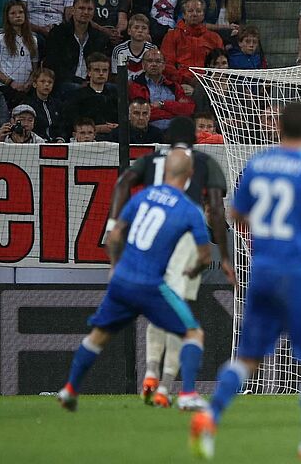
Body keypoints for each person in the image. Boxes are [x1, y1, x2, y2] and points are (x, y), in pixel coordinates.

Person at [189, 103, 301, 461]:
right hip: (298, 273)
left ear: (279, 129)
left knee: (248, 357)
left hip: (263, 271)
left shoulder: (258, 164)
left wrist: (265, 233)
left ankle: (210, 415)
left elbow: (235, 214)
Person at [58, 148, 212, 413]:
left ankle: (70, 389)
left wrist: (114, 267)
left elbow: (115, 235)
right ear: (190, 174)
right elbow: (205, 256)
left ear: (165, 171)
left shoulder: (142, 196)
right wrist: (194, 270)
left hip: (122, 281)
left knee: (98, 336)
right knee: (193, 333)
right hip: (151, 286)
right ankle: (187, 394)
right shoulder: (190, 209)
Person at [107, 115, 231, 409]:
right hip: (185, 237)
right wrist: (224, 255)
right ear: (195, 139)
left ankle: (150, 371)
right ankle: (165, 385)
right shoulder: (204, 162)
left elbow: (123, 183)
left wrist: (112, 225)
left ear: (166, 139)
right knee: (178, 309)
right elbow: (216, 208)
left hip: (152, 237)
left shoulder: (150, 160)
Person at [45, 0, 110, 96]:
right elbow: (53, 65)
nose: (86, 12)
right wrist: (79, 81)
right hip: (64, 82)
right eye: (81, 8)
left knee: (114, 89)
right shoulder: (58, 33)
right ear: (73, 10)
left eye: (89, 9)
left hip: (92, 82)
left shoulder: (98, 37)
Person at [160, 0, 223, 85]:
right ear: (184, 15)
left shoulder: (215, 38)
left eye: (198, 11)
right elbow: (167, 65)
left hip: (209, 84)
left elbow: (221, 65)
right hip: (179, 84)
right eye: (190, 11)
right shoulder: (171, 36)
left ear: (203, 15)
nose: (194, 14)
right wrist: (184, 81)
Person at [128, 47, 194, 131]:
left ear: (163, 66)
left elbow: (188, 108)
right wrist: (175, 113)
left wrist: (163, 105)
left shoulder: (174, 86)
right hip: (148, 131)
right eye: (150, 61)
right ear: (143, 65)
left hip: (175, 131)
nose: (154, 64)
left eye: (158, 61)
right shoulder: (136, 86)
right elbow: (143, 113)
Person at [0, 0, 37, 107]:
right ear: (7, 16)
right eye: (13, 13)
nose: (18, 16)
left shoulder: (33, 38)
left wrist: (29, 83)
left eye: (21, 12)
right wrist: (11, 82)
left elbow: (35, 67)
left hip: (26, 89)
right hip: (4, 88)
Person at [60, 53, 119, 138]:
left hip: (114, 139)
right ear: (89, 72)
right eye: (97, 70)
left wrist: (117, 127)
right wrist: (96, 129)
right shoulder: (76, 97)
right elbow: (70, 123)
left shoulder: (115, 96)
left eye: (105, 70)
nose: (101, 73)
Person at [22, 67, 63, 141]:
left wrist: (60, 138)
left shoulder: (57, 104)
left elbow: (62, 125)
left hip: (57, 142)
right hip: (36, 142)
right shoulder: (28, 105)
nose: (47, 84)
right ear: (34, 84)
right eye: (42, 81)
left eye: (50, 82)